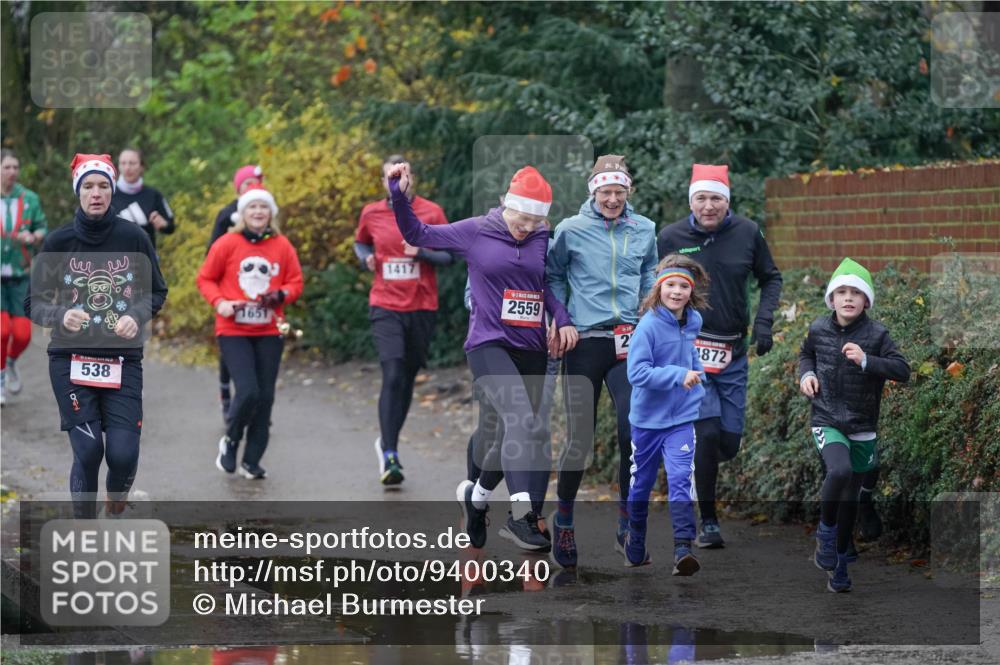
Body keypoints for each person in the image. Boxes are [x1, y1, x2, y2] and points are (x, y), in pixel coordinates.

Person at [386, 162, 577, 551]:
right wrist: (399, 198)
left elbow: (543, 286)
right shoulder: (475, 230)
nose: (525, 228)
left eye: (534, 222)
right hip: (488, 344)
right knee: (523, 419)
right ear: (506, 204)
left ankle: (476, 498)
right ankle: (523, 516)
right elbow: (416, 233)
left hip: (531, 347)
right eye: (521, 219)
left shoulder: (541, 237)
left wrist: (563, 318)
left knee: (513, 432)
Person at [27, 153, 167, 518]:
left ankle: (117, 495)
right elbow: (34, 302)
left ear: (112, 191)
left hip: (122, 359)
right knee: (88, 451)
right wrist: (60, 314)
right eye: (88, 186)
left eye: (103, 185)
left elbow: (156, 291)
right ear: (78, 191)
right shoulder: (58, 242)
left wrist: (136, 316)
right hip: (70, 359)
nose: (96, 193)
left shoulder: (133, 237)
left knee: (123, 455)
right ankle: (84, 530)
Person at [657, 164, 782, 548]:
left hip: (733, 352)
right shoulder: (671, 236)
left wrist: (763, 323)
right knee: (707, 433)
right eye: (701, 198)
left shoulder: (747, 232)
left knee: (728, 441)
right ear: (690, 200)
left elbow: (771, 277)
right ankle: (707, 520)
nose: (708, 206)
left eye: (715, 198)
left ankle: (698, 469)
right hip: (689, 353)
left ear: (726, 201)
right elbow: (657, 287)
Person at [545, 154, 658, 568]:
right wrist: (562, 319)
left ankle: (628, 524)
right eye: (606, 191)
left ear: (629, 192)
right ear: (593, 191)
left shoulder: (644, 228)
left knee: (634, 430)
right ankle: (566, 520)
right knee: (580, 440)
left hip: (630, 341)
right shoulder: (570, 230)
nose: (612, 198)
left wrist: (650, 311)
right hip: (584, 342)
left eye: (619, 191)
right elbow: (553, 278)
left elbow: (650, 272)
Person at [798, 257, 909, 592]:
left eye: (855, 293)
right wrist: (806, 374)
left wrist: (866, 361)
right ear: (832, 299)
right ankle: (825, 534)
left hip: (863, 424)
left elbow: (902, 370)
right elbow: (806, 354)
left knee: (851, 498)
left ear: (866, 301)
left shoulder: (877, 334)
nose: (848, 298)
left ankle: (840, 562)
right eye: (841, 292)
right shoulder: (818, 328)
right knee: (840, 472)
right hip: (826, 417)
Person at [354, 155, 452, 485]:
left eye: (402, 175)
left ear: (412, 178)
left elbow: (449, 255)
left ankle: (387, 441)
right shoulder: (372, 212)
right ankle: (390, 453)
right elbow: (360, 241)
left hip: (422, 306)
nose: (396, 181)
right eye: (389, 177)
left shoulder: (431, 212)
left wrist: (421, 252)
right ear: (383, 181)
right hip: (385, 304)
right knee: (392, 372)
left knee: (407, 378)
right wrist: (365, 256)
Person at [197, 184, 303, 479]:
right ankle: (230, 440)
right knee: (248, 391)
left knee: (265, 397)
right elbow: (205, 279)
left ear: (271, 213)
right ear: (243, 213)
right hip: (233, 329)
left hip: (269, 329)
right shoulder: (227, 244)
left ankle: (252, 460)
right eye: (252, 207)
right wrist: (220, 303)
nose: (258, 212)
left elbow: (296, 282)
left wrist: (280, 295)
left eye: (263, 207)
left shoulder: (282, 246)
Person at [624, 255, 708, 575]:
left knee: (680, 478)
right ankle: (635, 542)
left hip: (682, 417)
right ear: (658, 289)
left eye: (683, 286)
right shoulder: (647, 327)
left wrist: (697, 378)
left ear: (691, 290)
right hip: (646, 420)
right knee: (641, 484)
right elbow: (637, 373)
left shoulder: (694, 321)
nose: (676, 291)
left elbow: (691, 355)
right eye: (670, 285)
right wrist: (677, 374)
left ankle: (682, 549)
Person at [209, 164, 266, 425]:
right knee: (229, 348)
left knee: (258, 350)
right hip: (228, 293)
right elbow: (212, 254)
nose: (251, 188)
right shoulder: (227, 214)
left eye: (256, 183)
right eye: (246, 184)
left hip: (259, 294)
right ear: (238, 188)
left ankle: (255, 403)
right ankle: (226, 396)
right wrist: (221, 296)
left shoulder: (265, 211)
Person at [1, 148, 47, 405]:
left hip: (20, 274)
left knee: (21, 334)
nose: (12, 172)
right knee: (1, 331)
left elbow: (41, 226)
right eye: (7, 167)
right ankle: (0, 382)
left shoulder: (29, 199)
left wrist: (34, 236)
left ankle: (10, 362)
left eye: (15, 167)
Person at [111, 148, 176, 251]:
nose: (127, 168)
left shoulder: (153, 195)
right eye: (123, 163)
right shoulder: (108, 195)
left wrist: (163, 224)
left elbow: (171, 227)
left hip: (146, 259)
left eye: (132, 163)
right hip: (115, 262)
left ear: (141, 167)